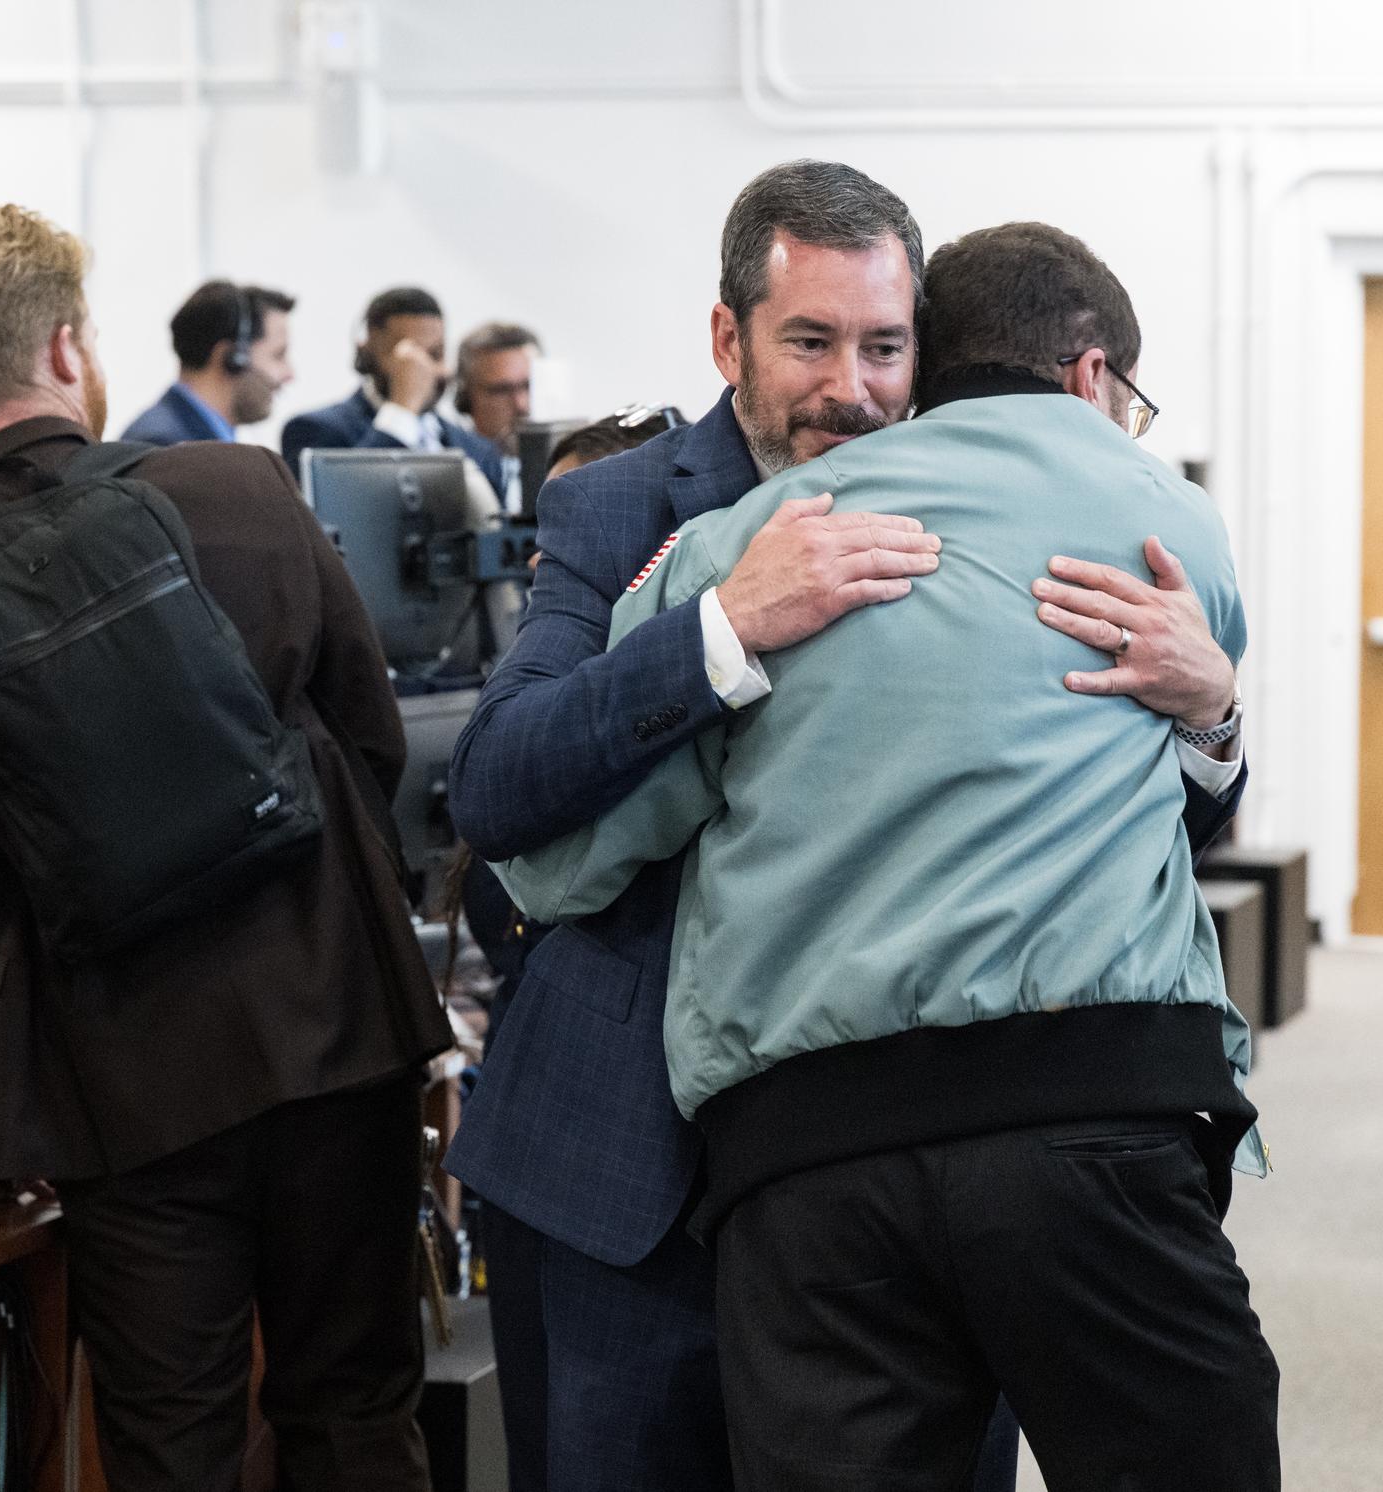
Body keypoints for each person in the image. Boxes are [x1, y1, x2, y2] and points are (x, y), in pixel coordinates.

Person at [445, 160, 1247, 1491]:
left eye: (887, 347)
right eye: (812, 342)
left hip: (891, 1178)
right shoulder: (624, 509)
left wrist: (1211, 713)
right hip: (624, 1169)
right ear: (729, 338)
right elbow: (499, 789)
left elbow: (1141, 836)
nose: (856, 388)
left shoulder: (993, 522)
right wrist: (722, 630)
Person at [0, 205, 451, 1492]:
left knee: (171, 1444)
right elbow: (374, 735)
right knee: (354, 1410)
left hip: (113, 1081)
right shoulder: (241, 488)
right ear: (68, 348)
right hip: (335, 1025)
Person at [280, 287, 508, 498]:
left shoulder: (478, 449)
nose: (425, 369)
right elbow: (346, 507)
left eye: (436, 354)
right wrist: (402, 410)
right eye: (410, 356)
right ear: (367, 352)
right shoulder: (314, 431)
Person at [120, 279, 296, 445]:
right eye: (278, 355)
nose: (289, 374)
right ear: (233, 358)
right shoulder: (165, 447)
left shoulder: (190, 440)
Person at [453, 322, 541, 508]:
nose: (522, 405)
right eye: (501, 390)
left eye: (529, 386)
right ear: (466, 399)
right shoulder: (455, 474)